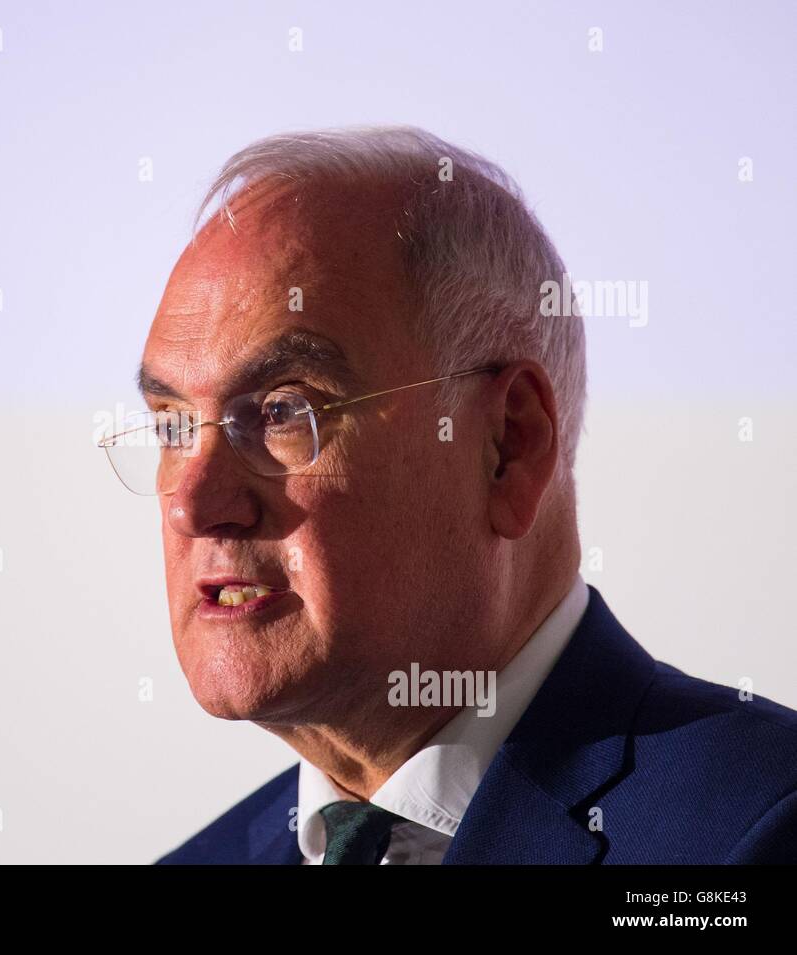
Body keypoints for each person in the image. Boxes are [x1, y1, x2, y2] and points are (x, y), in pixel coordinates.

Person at [97, 126, 797, 864]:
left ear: (509, 447)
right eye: (174, 424)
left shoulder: (754, 835)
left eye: (280, 412)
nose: (190, 503)